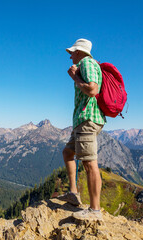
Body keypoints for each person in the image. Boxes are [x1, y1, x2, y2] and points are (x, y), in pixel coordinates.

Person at [57, 38, 106, 221]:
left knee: (89, 164)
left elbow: (92, 90)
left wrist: (75, 77)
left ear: (79, 52)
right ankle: (73, 193)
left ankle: (95, 210)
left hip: (87, 120)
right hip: (81, 121)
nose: (70, 57)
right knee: (68, 152)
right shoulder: (85, 64)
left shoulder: (87, 63)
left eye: (72, 53)